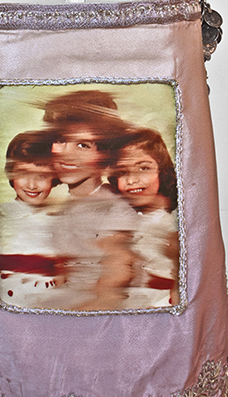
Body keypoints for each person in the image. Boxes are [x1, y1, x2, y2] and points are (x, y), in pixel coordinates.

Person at [42, 90, 138, 311]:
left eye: (83, 145)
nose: (67, 154)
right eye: (61, 140)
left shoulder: (115, 210)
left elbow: (112, 290)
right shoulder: (62, 206)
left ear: (106, 154)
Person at [109, 127, 180, 307]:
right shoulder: (117, 220)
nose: (132, 180)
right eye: (122, 172)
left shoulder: (174, 223)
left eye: (143, 168)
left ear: (161, 171)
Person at [0, 130, 66, 309]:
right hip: (8, 305)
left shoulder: (60, 218)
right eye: (23, 174)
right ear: (11, 173)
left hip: (49, 305)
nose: (32, 185)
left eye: (42, 176)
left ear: (54, 177)